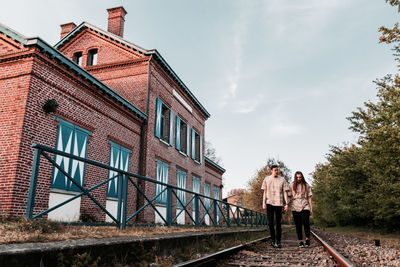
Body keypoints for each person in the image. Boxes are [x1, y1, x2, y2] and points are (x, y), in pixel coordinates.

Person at [261, 165, 290, 248]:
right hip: (269, 202)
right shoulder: (266, 179)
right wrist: (263, 203)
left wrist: (286, 204)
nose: (277, 171)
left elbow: (285, 192)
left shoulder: (282, 179)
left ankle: (278, 241)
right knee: (270, 223)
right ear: (271, 170)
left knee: (278, 223)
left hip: (279, 203)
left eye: (277, 170)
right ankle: (273, 241)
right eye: (275, 170)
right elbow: (265, 192)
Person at [289, 171, 313, 247]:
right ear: (295, 178)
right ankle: (300, 241)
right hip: (295, 205)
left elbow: (309, 197)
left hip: (304, 204)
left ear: (302, 177)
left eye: (300, 177)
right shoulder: (291, 185)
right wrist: (287, 205)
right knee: (298, 224)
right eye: (297, 177)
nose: (299, 178)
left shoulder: (306, 185)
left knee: (306, 222)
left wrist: (311, 209)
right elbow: (289, 196)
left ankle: (307, 240)